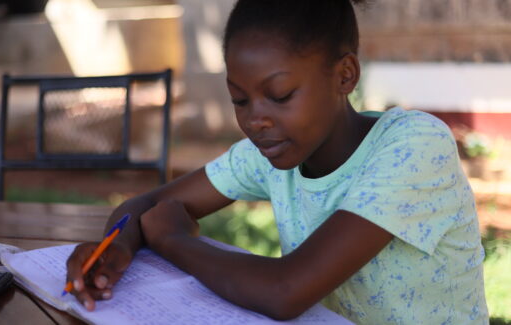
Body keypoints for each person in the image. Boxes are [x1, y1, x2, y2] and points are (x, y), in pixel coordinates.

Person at [66, 0, 489, 323]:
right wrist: (116, 247)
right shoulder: (269, 155)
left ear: (345, 75)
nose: (255, 119)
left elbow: (285, 291)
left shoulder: (413, 146)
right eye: (239, 99)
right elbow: (143, 207)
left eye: (281, 95)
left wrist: (175, 241)